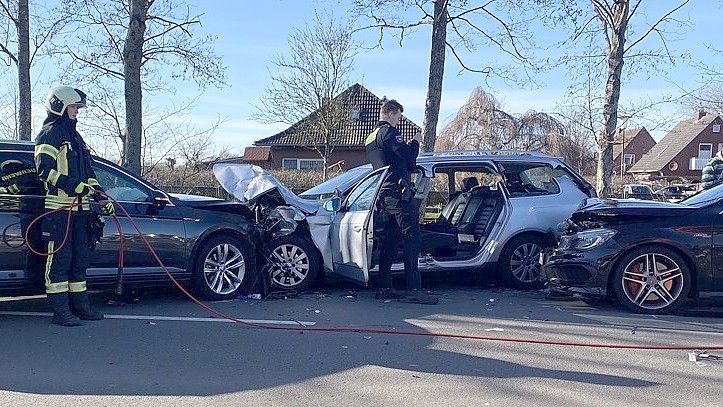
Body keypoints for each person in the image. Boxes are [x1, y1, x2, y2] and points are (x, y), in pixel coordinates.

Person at [34, 86, 114, 326]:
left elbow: (88, 175)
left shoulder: (76, 138)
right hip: (59, 212)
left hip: (81, 212)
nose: (77, 112)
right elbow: (43, 170)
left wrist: (101, 197)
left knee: (80, 260)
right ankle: (60, 312)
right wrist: (73, 186)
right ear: (59, 106)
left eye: (78, 108)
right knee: (59, 261)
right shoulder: (50, 134)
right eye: (73, 107)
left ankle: (80, 307)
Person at [365, 99, 437, 305]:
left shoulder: (370, 137)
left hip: (384, 194)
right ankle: (414, 289)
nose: (398, 121)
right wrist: (415, 142)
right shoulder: (388, 132)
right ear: (389, 114)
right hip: (398, 193)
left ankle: (384, 287)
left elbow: (393, 160)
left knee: (390, 241)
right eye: (398, 117)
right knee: (412, 238)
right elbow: (407, 157)